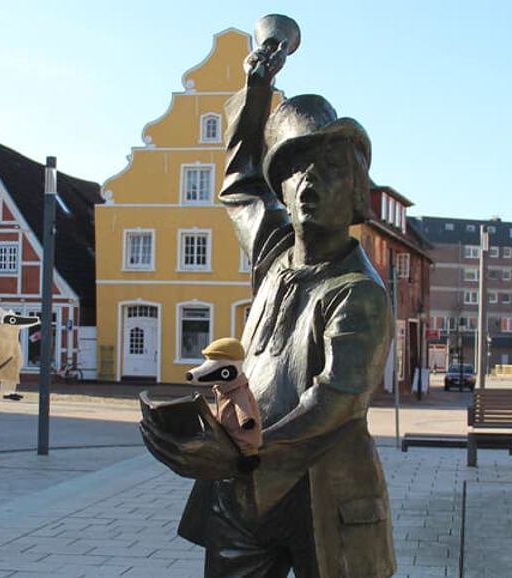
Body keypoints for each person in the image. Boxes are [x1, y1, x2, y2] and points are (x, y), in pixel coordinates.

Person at [140, 14, 395, 578]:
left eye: (327, 169)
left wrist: (240, 451)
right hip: (245, 495)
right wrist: (257, 90)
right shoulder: (275, 251)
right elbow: (239, 184)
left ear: (354, 190)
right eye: (296, 169)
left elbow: (336, 402)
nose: (309, 183)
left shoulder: (359, 293)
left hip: (323, 493)